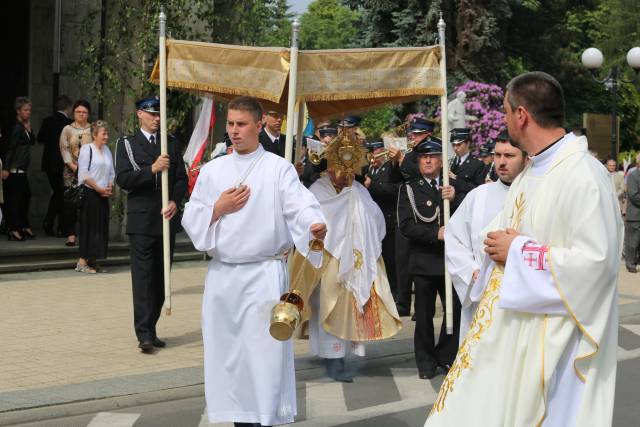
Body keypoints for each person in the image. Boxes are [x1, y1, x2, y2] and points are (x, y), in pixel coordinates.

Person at [425, 72, 623, 427]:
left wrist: (517, 250)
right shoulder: (531, 174)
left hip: (555, 345)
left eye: (504, 112)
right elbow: (497, 237)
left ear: (521, 116)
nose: (503, 120)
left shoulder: (584, 176)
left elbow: (597, 265)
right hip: (512, 334)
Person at [181, 96, 327, 427]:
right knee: (228, 357)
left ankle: (264, 419)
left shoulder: (278, 168)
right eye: (230, 124)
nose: (234, 131)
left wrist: (312, 225)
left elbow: (299, 206)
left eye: (241, 124)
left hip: (263, 276)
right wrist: (217, 208)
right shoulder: (213, 170)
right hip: (223, 278)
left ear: (258, 126)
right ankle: (238, 419)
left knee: (263, 356)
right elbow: (193, 216)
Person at [291, 134, 402, 383]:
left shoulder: (358, 190)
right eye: (334, 166)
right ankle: (332, 358)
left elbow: (375, 219)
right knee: (329, 304)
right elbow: (305, 217)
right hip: (328, 257)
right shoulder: (317, 190)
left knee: (350, 307)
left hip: (355, 257)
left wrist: (362, 228)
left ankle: (340, 356)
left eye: (344, 168)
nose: (338, 173)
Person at [115, 96, 187, 353]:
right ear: (139, 115)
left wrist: (176, 201)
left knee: (160, 277)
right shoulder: (127, 144)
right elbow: (123, 178)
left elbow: (181, 177)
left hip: (166, 218)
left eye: (160, 114)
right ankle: (143, 332)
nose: (157, 119)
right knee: (144, 278)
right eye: (152, 114)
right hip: (142, 219)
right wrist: (153, 169)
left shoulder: (172, 143)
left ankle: (152, 328)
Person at [445, 136, 527, 342]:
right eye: (497, 155)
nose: (501, 161)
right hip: (481, 292)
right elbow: (455, 239)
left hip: (522, 293)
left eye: (509, 155)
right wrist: (470, 269)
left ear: (526, 158)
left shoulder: (538, 196)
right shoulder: (478, 196)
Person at [397, 139, 460, 379]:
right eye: (424, 157)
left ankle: (445, 356)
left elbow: (470, 209)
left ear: (441, 161)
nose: (428, 160)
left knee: (454, 312)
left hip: (450, 261)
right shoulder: (410, 188)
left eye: (433, 156)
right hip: (423, 262)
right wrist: (435, 233)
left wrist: (455, 196)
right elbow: (406, 226)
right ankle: (425, 362)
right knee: (423, 316)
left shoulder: (451, 186)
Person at [389, 116, 437, 317]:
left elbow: (422, 179)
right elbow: (396, 181)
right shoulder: (412, 153)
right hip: (408, 210)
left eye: (417, 134)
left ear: (427, 134)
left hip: (425, 213)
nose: (413, 137)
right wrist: (395, 163)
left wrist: (401, 160)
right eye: (413, 134)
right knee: (402, 260)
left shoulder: (431, 152)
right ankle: (403, 300)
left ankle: (421, 307)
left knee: (422, 262)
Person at [364, 141, 403, 300]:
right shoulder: (370, 169)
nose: (374, 154)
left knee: (389, 258)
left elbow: (393, 190)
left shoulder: (389, 168)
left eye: (377, 150)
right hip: (372, 219)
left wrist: (371, 184)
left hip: (387, 219)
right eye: (372, 151)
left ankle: (394, 291)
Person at [76, 120, 114, 274]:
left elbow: (112, 171)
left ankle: (93, 260)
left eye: (107, 133)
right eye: (103, 133)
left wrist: (109, 186)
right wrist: (98, 188)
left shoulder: (107, 150)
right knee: (89, 227)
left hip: (103, 194)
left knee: (100, 228)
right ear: (94, 134)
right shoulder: (87, 149)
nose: (106, 136)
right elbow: (83, 173)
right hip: (90, 193)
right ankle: (82, 261)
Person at [1, 97, 36, 241]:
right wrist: (7, 169)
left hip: (22, 170)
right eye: (25, 110)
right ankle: (14, 228)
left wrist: (29, 129)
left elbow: (32, 141)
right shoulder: (17, 127)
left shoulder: (24, 126)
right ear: (18, 111)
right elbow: (11, 149)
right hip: (15, 170)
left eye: (29, 110)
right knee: (15, 200)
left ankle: (22, 226)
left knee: (25, 197)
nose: (28, 113)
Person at [59, 100, 93, 247]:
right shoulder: (67, 129)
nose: (81, 114)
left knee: (87, 204)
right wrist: (73, 167)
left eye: (84, 112)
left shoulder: (93, 129)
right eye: (79, 112)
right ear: (74, 113)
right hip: (71, 171)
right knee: (70, 204)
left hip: (90, 172)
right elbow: (64, 148)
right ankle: (71, 235)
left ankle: (86, 235)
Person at [38, 95, 72, 237]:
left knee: (59, 193)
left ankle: (50, 223)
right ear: (68, 108)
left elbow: (40, 139)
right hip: (63, 164)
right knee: (63, 195)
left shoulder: (47, 121)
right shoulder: (69, 123)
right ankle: (59, 227)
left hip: (49, 164)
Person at [448, 127, 485, 209]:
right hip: (449, 208)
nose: (455, 148)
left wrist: (456, 178)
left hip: (466, 207)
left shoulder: (477, 164)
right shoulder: (450, 162)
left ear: (468, 143)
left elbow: (478, 190)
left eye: (458, 144)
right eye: (453, 145)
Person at [625, 153, 640, 273]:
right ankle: (630, 264)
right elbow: (634, 196)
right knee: (633, 241)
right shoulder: (633, 176)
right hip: (635, 215)